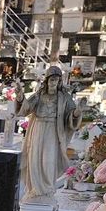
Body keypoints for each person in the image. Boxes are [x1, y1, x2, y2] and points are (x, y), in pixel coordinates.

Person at [19, 65, 81, 202]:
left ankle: (46, 190)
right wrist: (19, 96)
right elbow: (25, 109)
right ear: (46, 81)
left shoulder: (64, 97)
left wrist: (76, 113)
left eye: (57, 80)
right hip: (38, 128)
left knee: (49, 160)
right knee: (34, 159)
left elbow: (72, 114)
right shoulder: (39, 95)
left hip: (53, 131)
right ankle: (35, 190)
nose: (54, 83)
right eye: (52, 80)